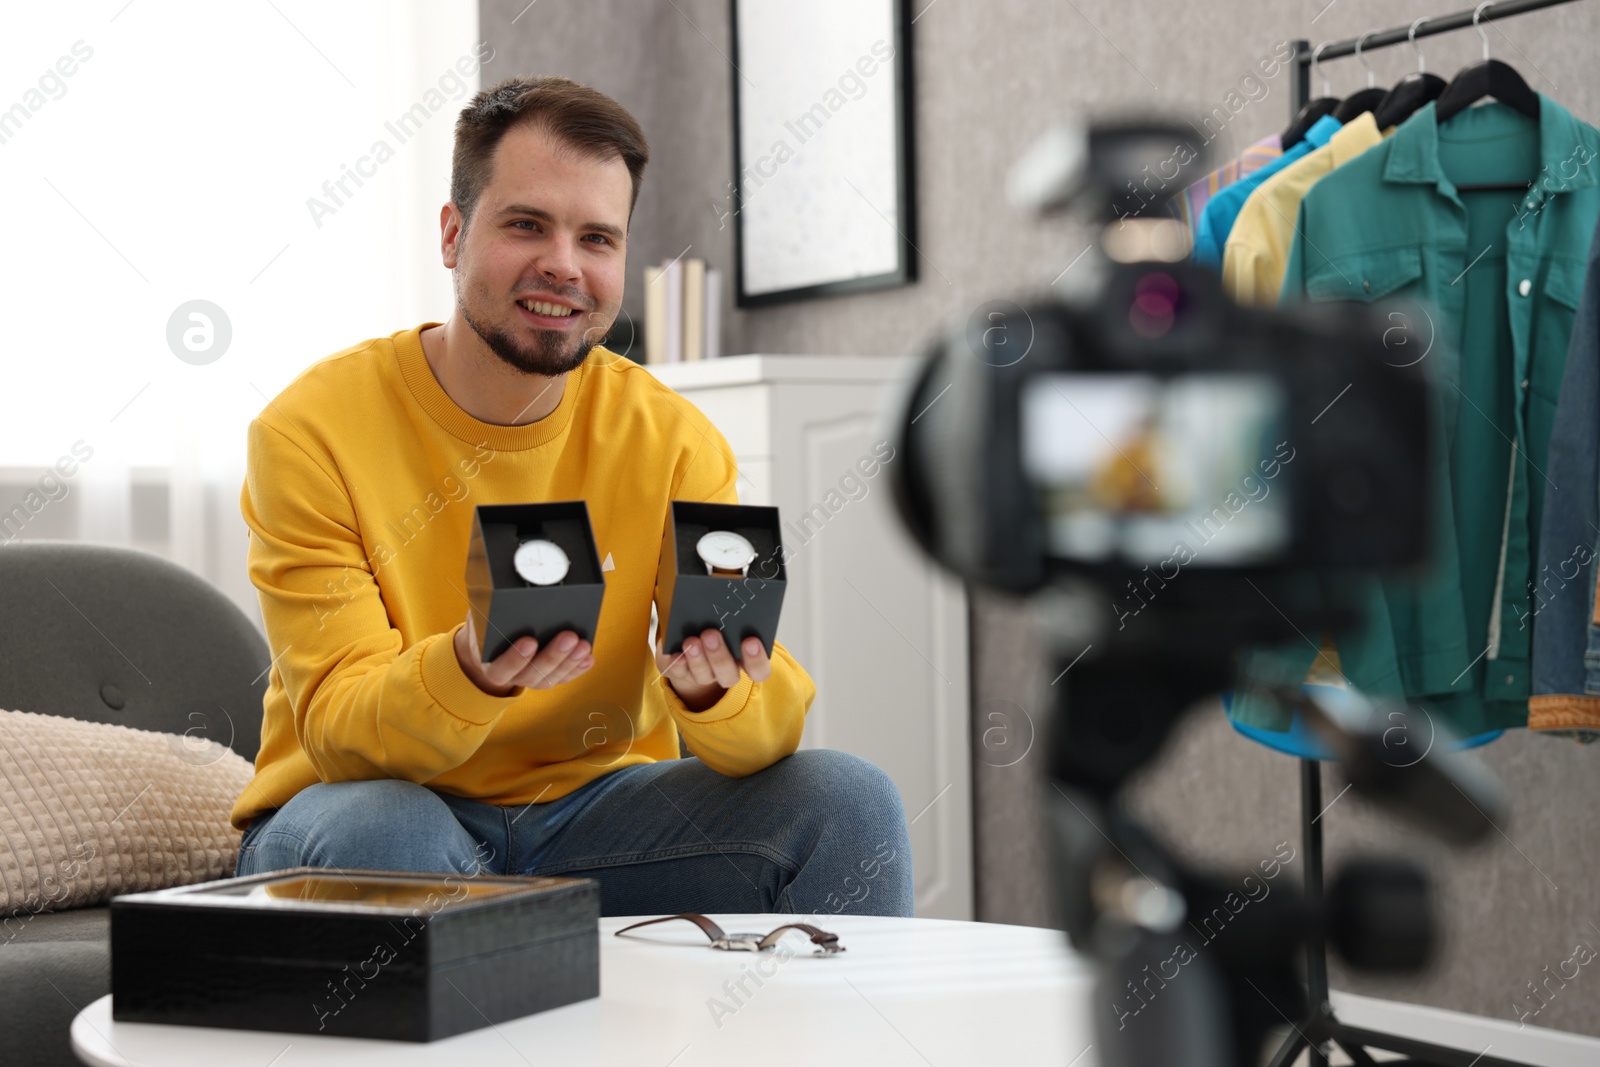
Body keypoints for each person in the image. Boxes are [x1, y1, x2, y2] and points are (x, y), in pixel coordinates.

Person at [229, 75, 913, 919]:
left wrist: (715, 693)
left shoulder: (674, 437)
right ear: (452, 235)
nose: (564, 263)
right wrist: (470, 670)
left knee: (851, 802)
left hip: (596, 821)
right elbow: (337, 725)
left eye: (598, 237)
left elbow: (768, 725)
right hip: (363, 810)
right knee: (391, 831)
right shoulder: (310, 431)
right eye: (526, 224)